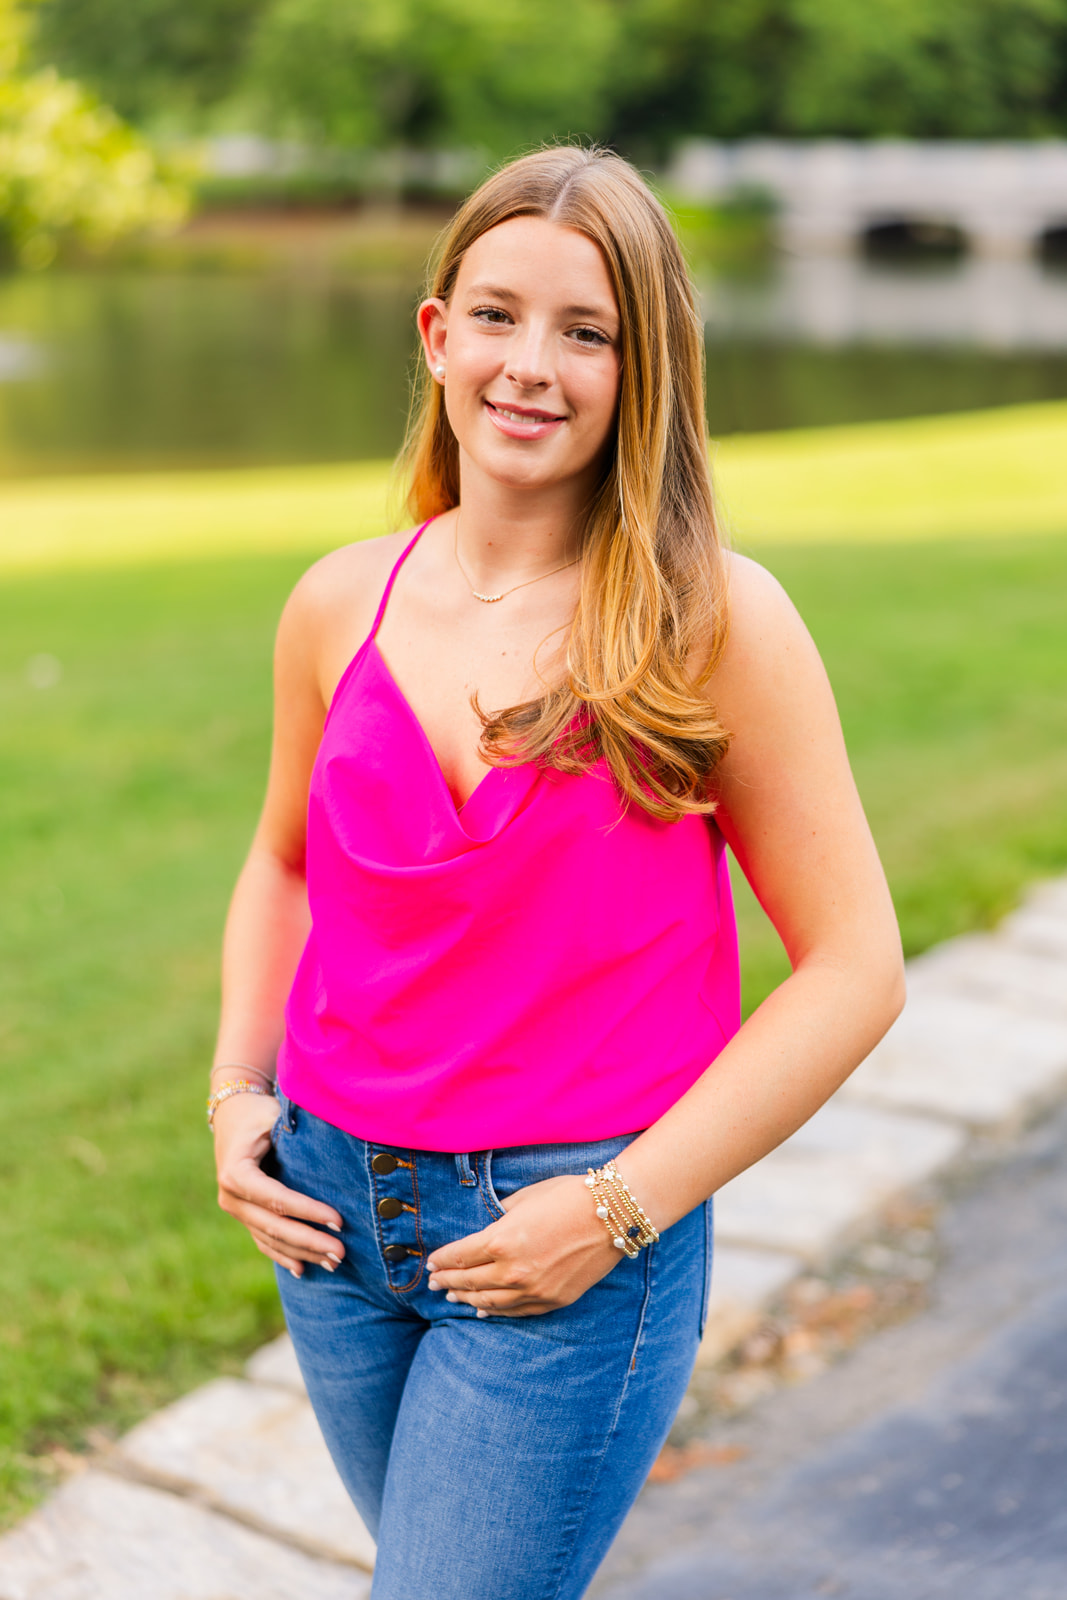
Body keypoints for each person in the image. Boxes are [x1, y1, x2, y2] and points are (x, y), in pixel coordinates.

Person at [209, 144, 904, 1599]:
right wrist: (234, 1098)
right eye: (501, 315)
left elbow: (855, 969)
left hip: (570, 1235)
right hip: (334, 1225)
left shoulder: (714, 622)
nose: (533, 364)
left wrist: (619, 1209)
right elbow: (282, 869)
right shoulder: (341, 599)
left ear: (642, 366)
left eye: (587, 331)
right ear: (436, 333)